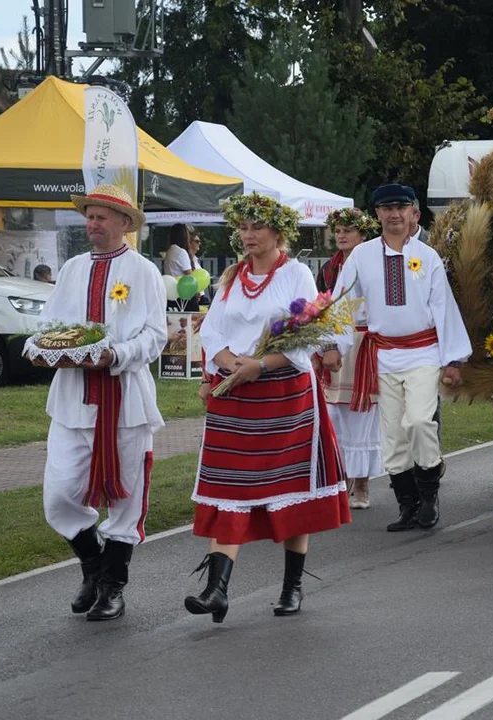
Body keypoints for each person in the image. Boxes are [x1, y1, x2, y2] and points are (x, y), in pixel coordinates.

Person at [185, 192, 350, 623]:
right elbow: (213, 332)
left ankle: (291, 586)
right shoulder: (231, 277)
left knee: (289, 491)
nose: (248, 235)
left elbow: (308, 334)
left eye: (256, 227)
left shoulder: (295, 274)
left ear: (278, 232)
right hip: (235, 394)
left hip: (285, 396)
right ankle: (216, 589)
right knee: (228, 490)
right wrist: (227, 366)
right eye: (242, 228)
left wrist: (261, 364)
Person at [38, 184, 166, 621]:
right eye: (89, 216)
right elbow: (49, 321)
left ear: (124, 224)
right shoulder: (72, 268)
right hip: (73, 399)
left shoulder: (143, 271)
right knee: (58, 494)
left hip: (124, 399)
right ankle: (92, 567)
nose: (92, 224)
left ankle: (113, 586)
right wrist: (43, 345)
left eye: (101, 217)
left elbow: (155, 335)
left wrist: (117, 354)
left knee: (126, 498)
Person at [324, 184, 471, 532]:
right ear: (377, 215)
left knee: (419, 422)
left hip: (423, 353)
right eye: (386, 208)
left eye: (401, 207)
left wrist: (453, 360)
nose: (394, 214)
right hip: (383, 356)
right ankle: (408, 505)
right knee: (392, 435)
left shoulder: (428, 257)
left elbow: (444, 309)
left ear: (413, 213)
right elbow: (342, 300)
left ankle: (429, 497)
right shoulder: (361, 256)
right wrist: (332, 344)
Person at [316, 207, 383, 510]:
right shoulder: (328, 268)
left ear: (362, 234)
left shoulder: (375, 261)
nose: (341, 236)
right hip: (336, 338)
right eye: (338, 231)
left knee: (364, 411)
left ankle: (363, 484)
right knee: (334, 412)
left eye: (347, 231)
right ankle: (341, 478)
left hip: (366, 340)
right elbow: (320, 303)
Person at [164, 223, 200, 311]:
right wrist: (197, 291)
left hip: (170, 293)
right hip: (184, 295)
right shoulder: (181, 252)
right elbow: (190, 276)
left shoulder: (169, 252)